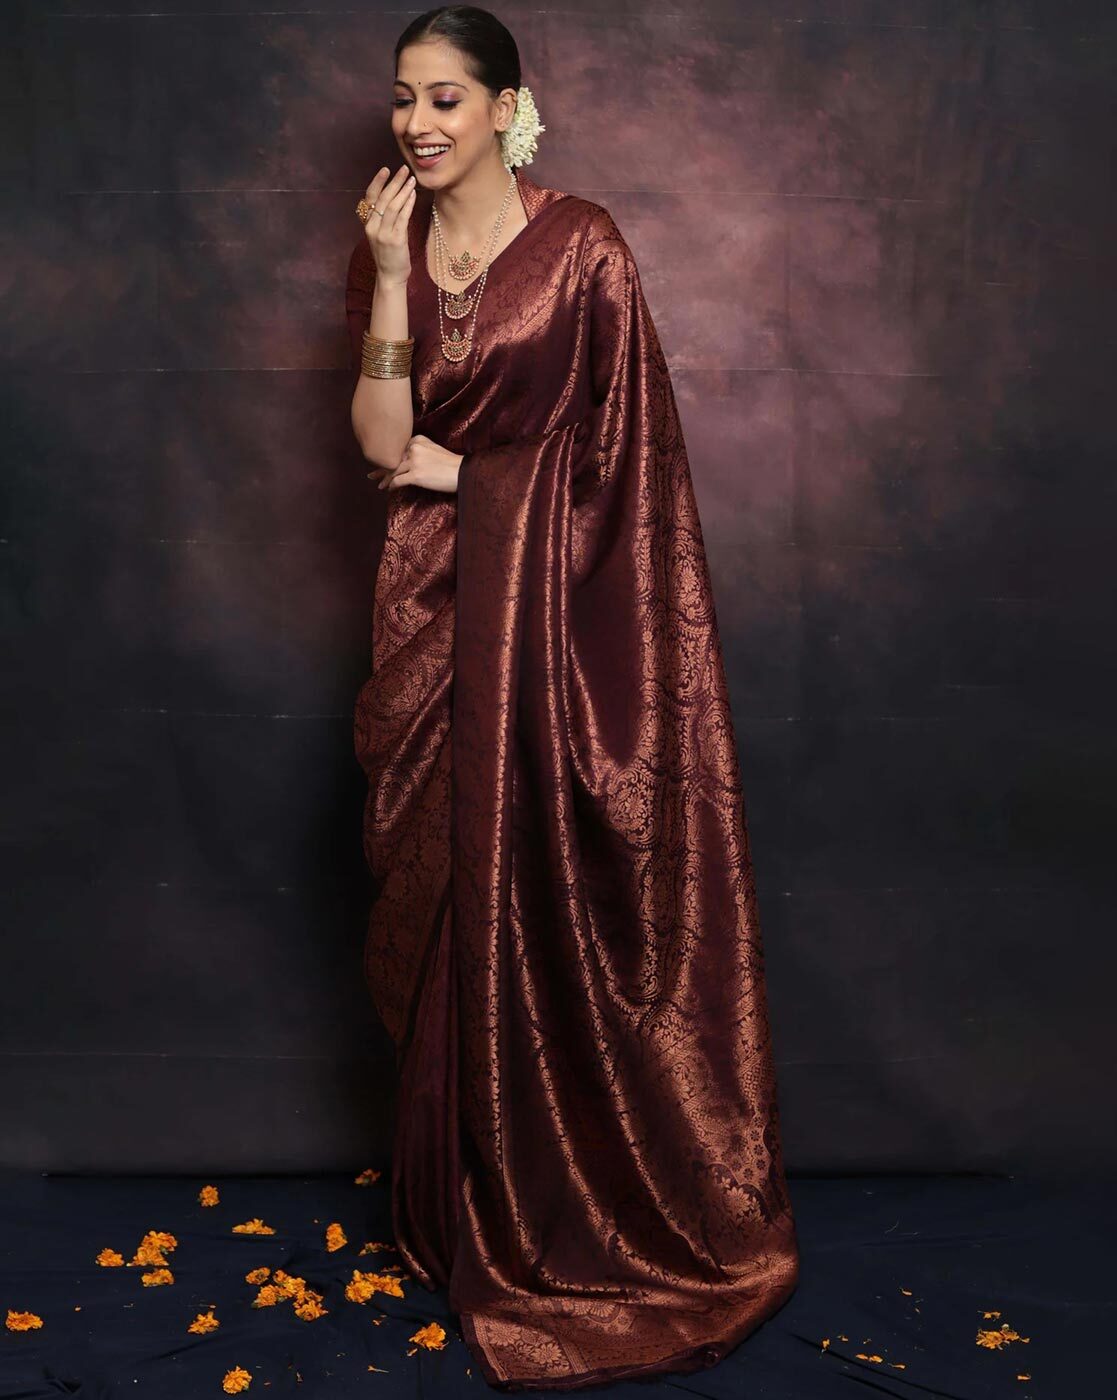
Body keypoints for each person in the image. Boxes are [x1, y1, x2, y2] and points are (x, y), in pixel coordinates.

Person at [345, 5, 800, 1390]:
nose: (419, 123)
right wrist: (385, 276)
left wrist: (473, 476)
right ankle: (464, 1201)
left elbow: (628, 462)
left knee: (552, 881)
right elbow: (380, 444)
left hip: (556, 621)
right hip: (433, 609)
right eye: (405, 98)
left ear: (506, 106)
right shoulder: (395, 241)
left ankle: (574, 1207)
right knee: (445, 886)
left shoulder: (585, 244)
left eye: (446, 98)